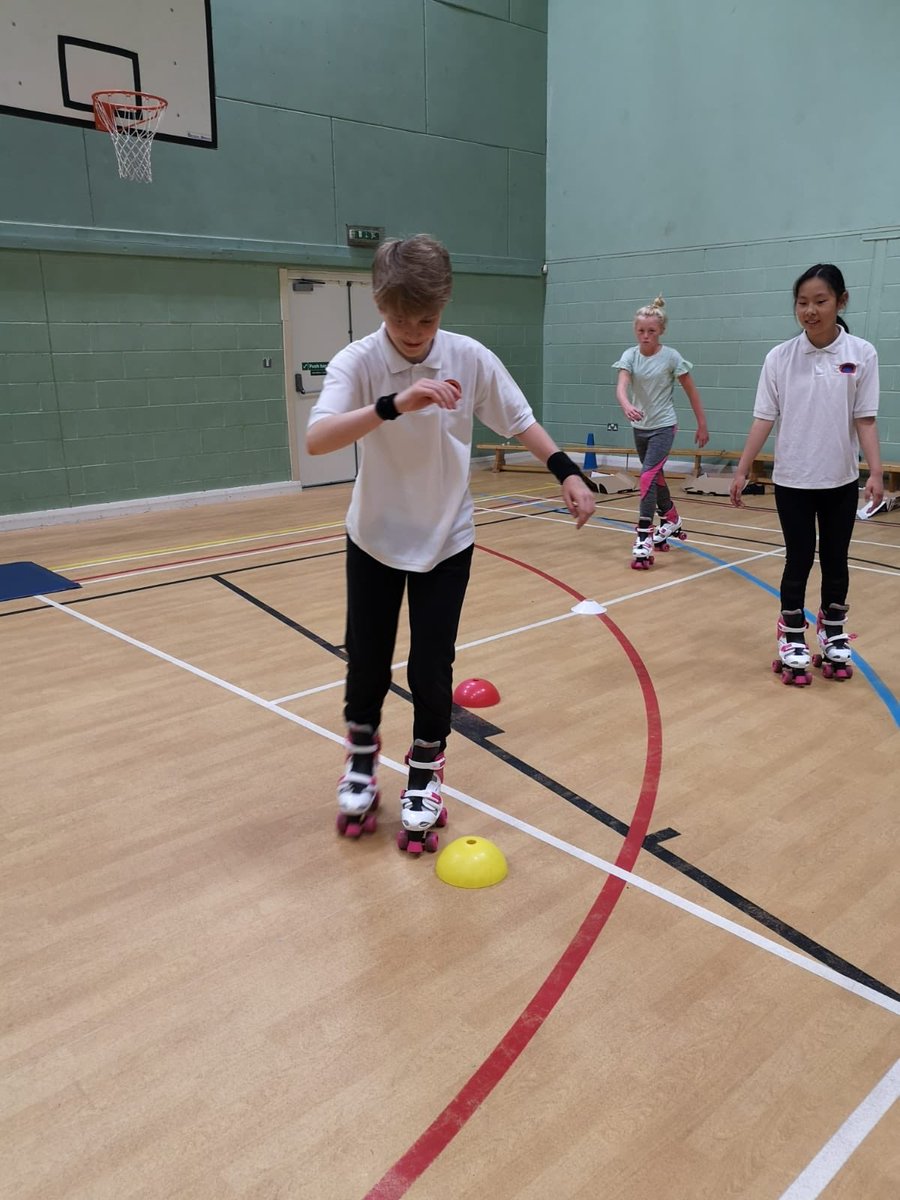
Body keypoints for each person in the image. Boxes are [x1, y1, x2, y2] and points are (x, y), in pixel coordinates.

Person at [306, 234, 597, 853]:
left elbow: (519, 420)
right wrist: (393, 404)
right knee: (366, 657)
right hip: (375, 537)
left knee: (433, 663)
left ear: (445, 307)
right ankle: (361, 759)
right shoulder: (358, 362)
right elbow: (318, 439)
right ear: (380, 305)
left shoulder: (468, 357)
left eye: (427, 319)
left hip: (446, 538)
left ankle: (424, 773)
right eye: (400, 318)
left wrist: (566, 470)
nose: (413, 331)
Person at [729, 263, 884, 685]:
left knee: (836, 561)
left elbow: (865, 418)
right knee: (797, 559)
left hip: (840, 481)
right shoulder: (780, 357)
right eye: (802, 302)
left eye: (820, 301)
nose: (810, 310)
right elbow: (764, 417)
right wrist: (742, 469)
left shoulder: (862, 354)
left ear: (841, 302)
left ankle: (833, 633)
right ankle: (792, 634)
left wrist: (875, 473)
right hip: (793, 479)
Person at [613, 296, 709, 569]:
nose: (645, 336)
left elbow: (691, 391)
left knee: (647, 476)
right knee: (655, 477)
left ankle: (644, 535)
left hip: (664, 426)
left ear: (661, 331)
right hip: (639, 427)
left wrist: (702, 424)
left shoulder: (671, 357)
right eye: (641, 330)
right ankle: (671, 517)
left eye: (651, 331)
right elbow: (622, 385)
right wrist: (626, 404)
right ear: (635, 330)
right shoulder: (630, 356)